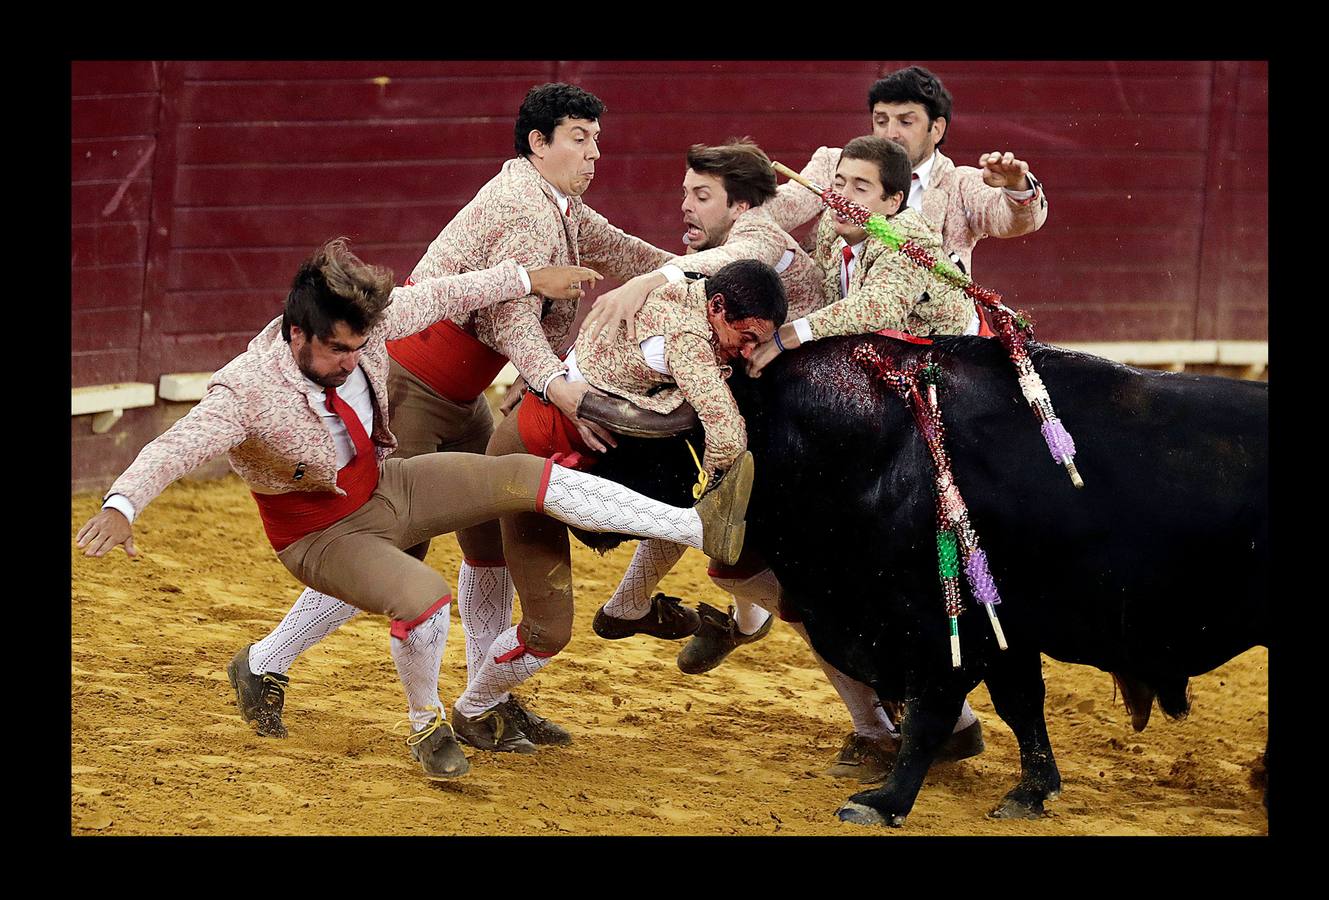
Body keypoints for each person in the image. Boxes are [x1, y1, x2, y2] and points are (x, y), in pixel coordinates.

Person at [75, 238, 754, 782]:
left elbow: (442, 293)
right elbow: (176, 445)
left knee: (519, 473)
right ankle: (427, 722)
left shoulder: (363, 332)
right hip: (320, 532)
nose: (351, 360)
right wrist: (122, 502)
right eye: (336, 349)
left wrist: (526, 279)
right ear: (293, 332)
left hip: (384, 487)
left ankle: (698, 527)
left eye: (356, 346)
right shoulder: (245, 391)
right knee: (424, 598)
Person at [231, 82, 681, 748]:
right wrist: (554, 386)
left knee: (488, 545)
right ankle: (265, 661)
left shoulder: (562, 206)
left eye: (596, 140)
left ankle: (481, 704)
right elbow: (511, 318)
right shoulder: (522, 208)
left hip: (459, 393)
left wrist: (700, 271)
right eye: (579, 139)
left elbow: (631, 253)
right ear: (538, 143)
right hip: (411, 385)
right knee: (384, 541)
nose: (594, 155)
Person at [442, 259, 781, 750]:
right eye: (746, 335)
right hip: (535, 463)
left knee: (682, 494)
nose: (749, 349)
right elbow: (726, 433)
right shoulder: (687, 338)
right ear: (717, 306)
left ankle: (617, 614)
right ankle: (475, 711)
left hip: (564, 456)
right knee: (547, 628)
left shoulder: (684, 290)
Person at [765, 65, 1047, 278]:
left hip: (928, 333)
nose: (890, 134)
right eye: (881, 120)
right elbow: (788, 204)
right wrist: (737, 203)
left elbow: (1011, 219)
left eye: (905, 122)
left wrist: (1016, 186)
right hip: (835, 317)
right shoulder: (833, 164)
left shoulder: (958, 184)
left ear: (936, 129)